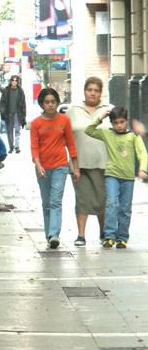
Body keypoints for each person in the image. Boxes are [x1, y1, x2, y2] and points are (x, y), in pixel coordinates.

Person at [86, 106, 148, 249]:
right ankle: (109, 236)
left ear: (126, 121)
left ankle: (122, 237)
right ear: (111, 123)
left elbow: (143, 153)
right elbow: (89, 130)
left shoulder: (133, 136)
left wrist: (143, 169)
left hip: (128, 178)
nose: (119, 125)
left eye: (121, 122)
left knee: (125, 208)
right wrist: (100, 118)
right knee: (111, 204)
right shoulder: (107, 134)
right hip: (112, 176)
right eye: (115, 123)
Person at [31, 88, 80, 249]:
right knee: (46, 202)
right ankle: (49, 234)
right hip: (43, 168)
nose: (50, 105)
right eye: (47, 102)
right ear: (42, 104)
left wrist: (76, 167)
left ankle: (54, 234)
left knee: (55, 201)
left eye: (53, 102)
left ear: (57, 103)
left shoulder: (64, 121)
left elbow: (71, 145)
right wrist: (38, 165)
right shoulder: (36, 123)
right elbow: (34, 147)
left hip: (60, 166)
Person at [66, 77, 112, 246]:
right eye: (89, 89)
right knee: (82, 199)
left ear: (101, 93)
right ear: (84, 91)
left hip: (105, 163)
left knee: (102, 199)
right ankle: (81, 235)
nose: (92, 93)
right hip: (80, 164)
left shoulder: (109, 110)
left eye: (96, 90)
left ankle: (103, 232)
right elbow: (66, 136)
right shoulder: (73, 110)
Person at [0, 76, 26, 153]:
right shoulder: (6, 91)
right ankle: (11, 147)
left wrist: (24, 115)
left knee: (17, 130)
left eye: (16, 81)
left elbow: (23, 104)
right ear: (10, 81)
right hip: (8, 114)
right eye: (13, 80)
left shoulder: (20, 91)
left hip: (18, 114)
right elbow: (2, 103)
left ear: (18, 82)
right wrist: (3, 113)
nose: (14, 82)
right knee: (9, 131)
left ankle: (17, 147)